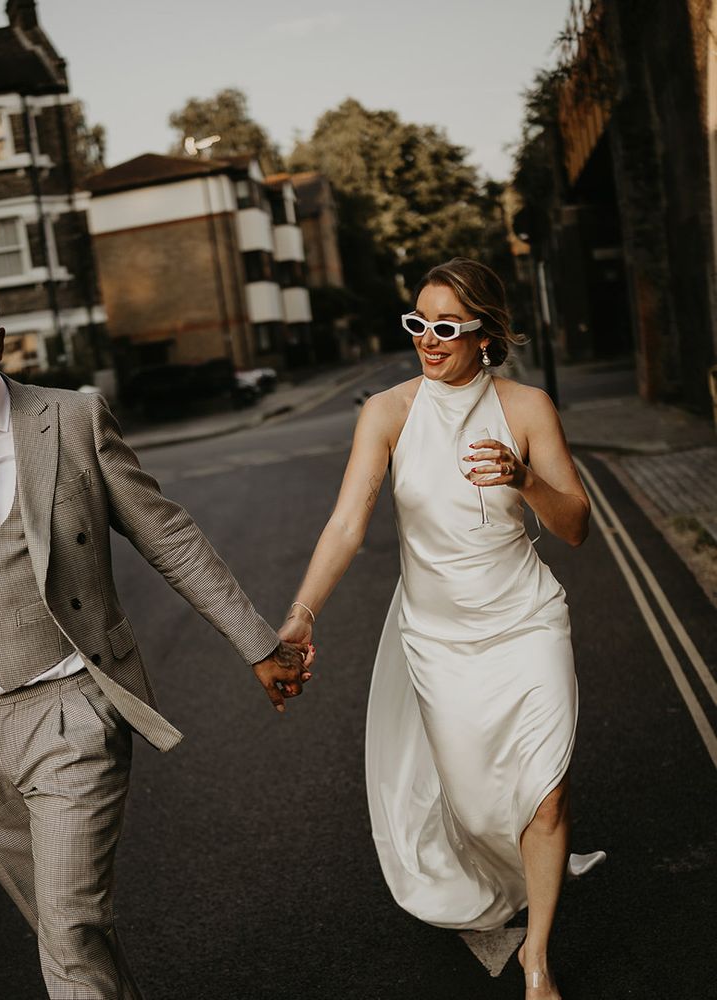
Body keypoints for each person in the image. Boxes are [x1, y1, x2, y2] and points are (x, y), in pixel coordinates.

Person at [0, 271, 309, 999]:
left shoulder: (71, 420)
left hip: (71, 709)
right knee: (66, 933)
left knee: (68, 928)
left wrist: (258, 642)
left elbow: (168, 537)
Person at [279, 258, 603, 998]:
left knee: (546, 792)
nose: (428, 339)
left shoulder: (527, 408)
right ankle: (507, 874)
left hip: (525, 622)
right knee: (477, 804)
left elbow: (576, 526)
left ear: (485, 334)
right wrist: (301, 612)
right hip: (437, 639)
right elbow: (347, 523)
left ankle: (537, 960)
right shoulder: (387, 413)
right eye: (418, 323)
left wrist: (523, 477)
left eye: (447, 327)